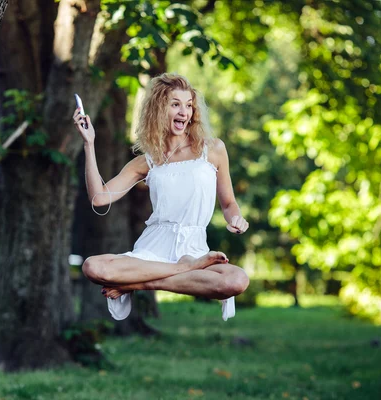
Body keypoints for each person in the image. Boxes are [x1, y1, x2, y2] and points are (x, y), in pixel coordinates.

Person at [73, 73, 250, 321]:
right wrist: (89, 144)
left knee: (237, 280)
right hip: (153, 249)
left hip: (194, 247)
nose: (184, 112)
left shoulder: (213, 149)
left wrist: (237, 219)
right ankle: (183, 268)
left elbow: (229, 203)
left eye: (188, 105)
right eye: (175, 104)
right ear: (159, 108)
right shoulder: (147, 161)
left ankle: (136, 283)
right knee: (92, 266)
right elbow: (99, 198)